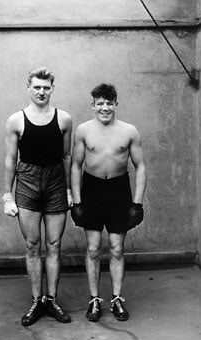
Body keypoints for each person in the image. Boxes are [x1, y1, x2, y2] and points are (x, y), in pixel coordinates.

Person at [3, 67, 73, 326]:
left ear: (52, 88)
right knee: (32, 245)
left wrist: (68, 190)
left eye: (46, 87)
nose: (41, 91)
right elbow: (11, 159)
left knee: (54, 245)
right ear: (28, 88)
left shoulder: (64, 119)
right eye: (37, 87)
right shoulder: (16, 120)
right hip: (28, 182)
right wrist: (6, 196)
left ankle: (51, 300)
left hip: (56, 182)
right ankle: (36, 301)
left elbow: (67, 157)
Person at [71, 83, 146, 322]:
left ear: (116, 104)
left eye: (109, 103)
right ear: (93, 105)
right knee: (93, 248)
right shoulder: (83, 130)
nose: (105, 108)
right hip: (92, 190)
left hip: (118, 191)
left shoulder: (129, 131)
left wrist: (137, 203)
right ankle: (94, 300)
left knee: (116, 248)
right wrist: (76, 201)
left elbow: (140, 166)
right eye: (100, 103)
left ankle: (116, 299)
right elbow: (75, 166)